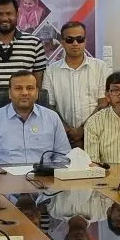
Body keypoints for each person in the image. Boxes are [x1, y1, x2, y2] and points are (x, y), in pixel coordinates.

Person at [0, 70, 70, 166]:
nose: (24, 93)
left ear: (37, 93)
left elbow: (64, 156)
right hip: (6, 175)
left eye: (30, 88)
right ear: (9, 93)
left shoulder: (52, 118)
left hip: (44, 174)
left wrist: (50, 172)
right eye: (18, 88)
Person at [44, 21, 111, 149]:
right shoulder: (51, 71)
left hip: (97, 135)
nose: (75, 43)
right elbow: (49, 106)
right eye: (70, 40)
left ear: (85, 41)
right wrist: (68, 131)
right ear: (62, 42)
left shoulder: (101, 67)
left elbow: (103, 103)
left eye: (80, 39)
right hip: (62, 137)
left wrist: (83, 129)